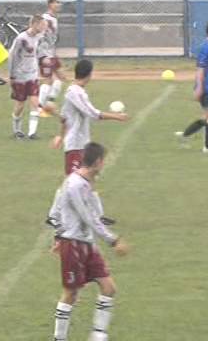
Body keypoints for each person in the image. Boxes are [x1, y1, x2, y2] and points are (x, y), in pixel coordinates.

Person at [49, 142, 129, 341]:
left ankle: (98, 335)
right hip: (74, 243)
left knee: (109, 288)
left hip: (87, 243)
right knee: (70, 293)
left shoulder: (87, 182)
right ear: (98, 162)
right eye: (104, 160)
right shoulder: (75, 185)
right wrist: (113, 240)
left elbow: (61, 209)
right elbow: (87, 217)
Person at [45, 59, 130, 228]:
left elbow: (64, 117)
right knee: (70, 180)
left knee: (90, 178)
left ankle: (98, 216)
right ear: (89, 74)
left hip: (82, 143)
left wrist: (60, 136)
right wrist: (117, 117)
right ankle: (53, 215)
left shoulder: (77, 91)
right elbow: (92, 114)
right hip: (75, 145)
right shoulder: (75, 93)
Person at [175, 21, 208, 154]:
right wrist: (199, 88)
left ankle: (185, 135)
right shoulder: (207, 48)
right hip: (206, 89)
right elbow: (200, 69)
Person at [9, 14, 56, 140]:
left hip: (32, 74)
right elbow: (12, 56)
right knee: (20, 104)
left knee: (35, 102)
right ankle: (17, 129)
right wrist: (12, 75)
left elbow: (39, 52)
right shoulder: (21, 38)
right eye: (42, 25)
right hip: (20, 75)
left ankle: (32, 133)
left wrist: (44, 59)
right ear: (34, 24)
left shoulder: (38, 38)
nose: (43, 28)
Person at [38, 0, 69, 113]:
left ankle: (49, 104)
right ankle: (40, 107)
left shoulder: (53, 18)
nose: (59, 5)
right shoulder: (46, 18)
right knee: (48, 80)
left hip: (51, 53)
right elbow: (39, 33)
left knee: (60, 78)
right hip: (44, 54)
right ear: (50, 4)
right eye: (57, 2)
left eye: (60, 2)